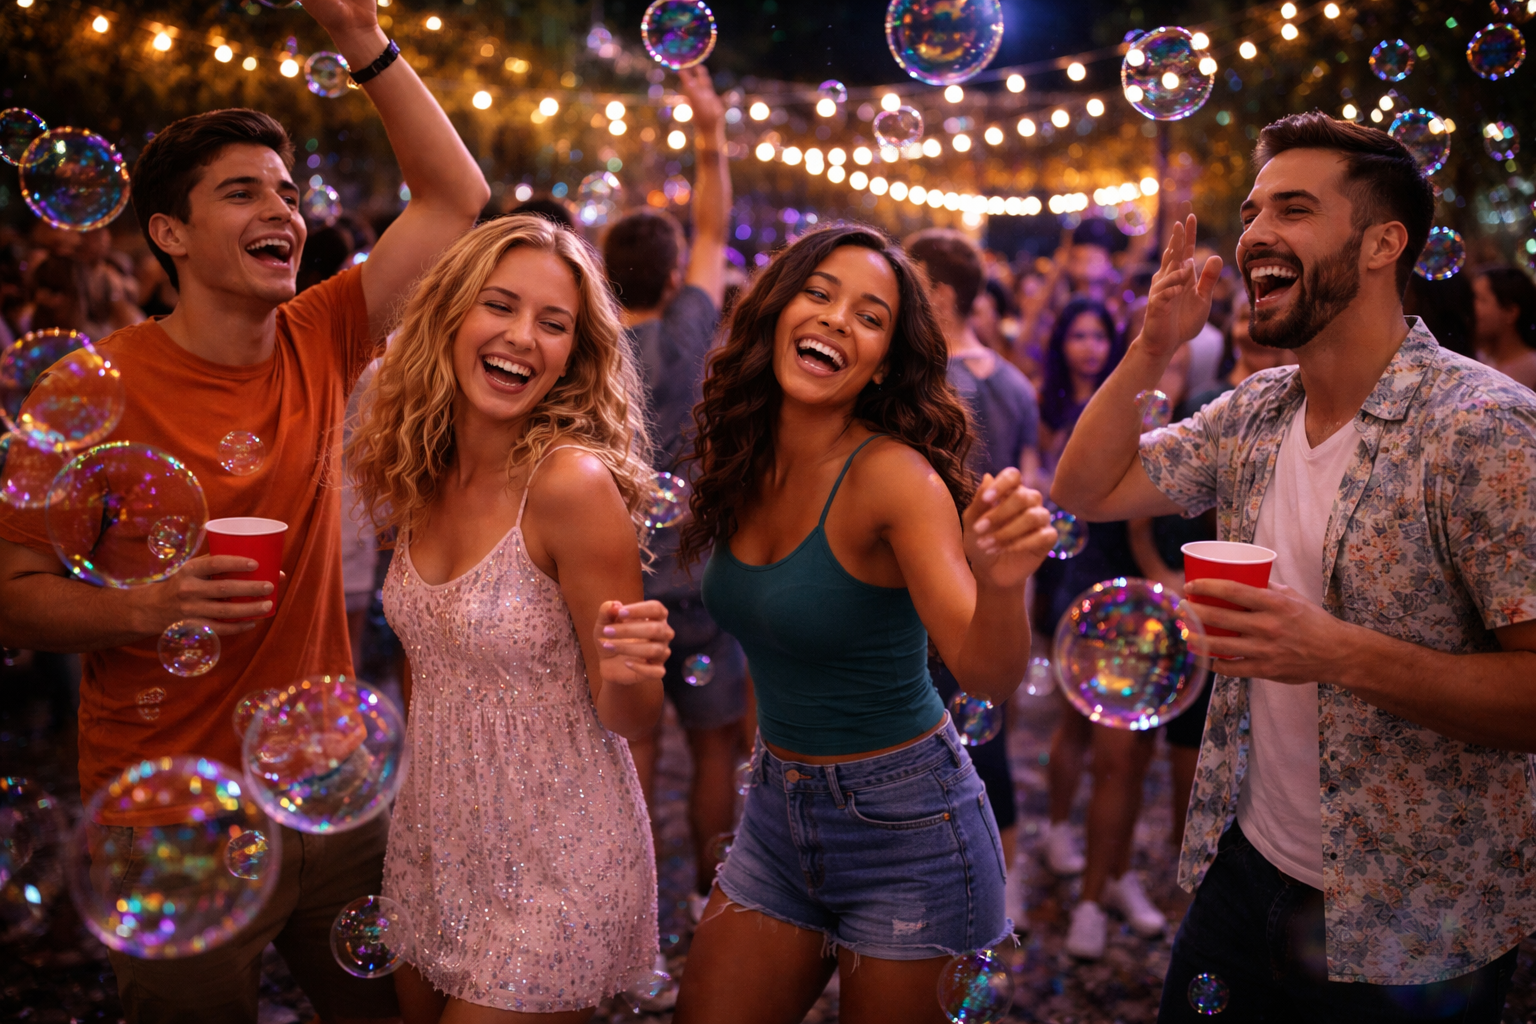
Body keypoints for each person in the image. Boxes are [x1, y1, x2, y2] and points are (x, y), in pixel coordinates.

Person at [0, 1, 490, 1019]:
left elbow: (455, 196)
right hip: (166, 815)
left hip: (331, 791)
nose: (283, 210)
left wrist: (364, 42)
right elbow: (12, 595)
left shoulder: (322, 332)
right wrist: (146, 607)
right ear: (169, 233)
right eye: (241, 193)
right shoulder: (91, 391)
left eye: (285, 189)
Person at [1053, 113, 1536, 1021]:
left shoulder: (1482, 428)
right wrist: (1153, 342)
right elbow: (1087, 487)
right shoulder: (1258, 408)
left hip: (1416, 925)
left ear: (1384, 242)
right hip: (1245, 872)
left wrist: (1334, 651)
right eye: (1251, 210)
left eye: (1295, 208)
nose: (1255, 233)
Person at [671, 224, 1056, 1024]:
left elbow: (985, 674)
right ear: (776, 311)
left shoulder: (895, 477)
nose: (837, 319)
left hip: (909, 827)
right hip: (776, 814)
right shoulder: (743, 451)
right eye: (819, 294)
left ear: (884, 360)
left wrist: (1003, 584)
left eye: (870, 315)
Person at [345, 214, 671, 1022]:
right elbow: (427, 667)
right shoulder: (420, 472)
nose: (523, 337)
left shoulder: (570, 486)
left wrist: (634, 670)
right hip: (435, 840)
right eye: (501, 306)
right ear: (452, 316)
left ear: (572, 354)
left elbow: (627, 717)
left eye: (553, 323)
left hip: (559, 857)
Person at [599, 66, 744, 926]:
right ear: (668, 275)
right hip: (702, 571)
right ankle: (704, 901)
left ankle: (635, 910)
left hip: (619, 577)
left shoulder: (590, 350)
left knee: (636, 750)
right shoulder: (694, 323)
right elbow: (716, 224)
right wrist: (710, 130)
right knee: (715, 743)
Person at [905, 227, 1039, 929]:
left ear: (942, 295)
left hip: (936, 590)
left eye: (910, 279)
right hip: (991, 591)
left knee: (931, 747)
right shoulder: (1012, 378)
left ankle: (954, 891)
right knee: (988, 744)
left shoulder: (933, 383)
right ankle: (1002, 892)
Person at [1033, 298, 1166, 958]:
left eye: (1098, 335)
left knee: (1128, 754)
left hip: (1140, 596)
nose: (1088, 346)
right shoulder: (1055, 405)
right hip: (1091, 587)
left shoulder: (1151, 403)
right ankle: (1070, 848)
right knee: (1083, 731)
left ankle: (1113, 877)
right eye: (1075, 333)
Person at [1472, 265, 1536, 389]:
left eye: (1482, 300)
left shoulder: (1532, 369)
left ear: (1511, 311)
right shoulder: (1475, 359)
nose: (1473, 308)